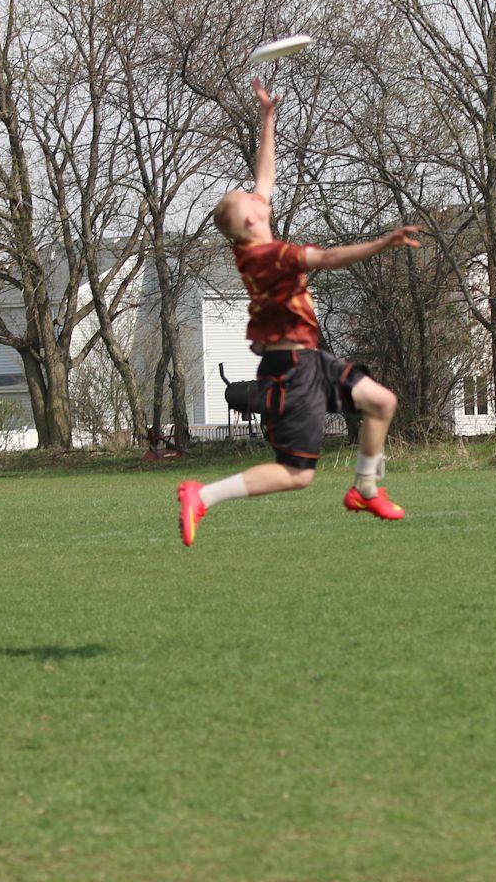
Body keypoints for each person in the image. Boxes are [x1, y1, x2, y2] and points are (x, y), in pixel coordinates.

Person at [178, 77, 420, 546]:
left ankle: (365, 488)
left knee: (382, 403)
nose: (257, 194)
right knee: (296, 474)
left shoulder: (251, 239)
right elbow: (328, 258)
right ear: (251, 218)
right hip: (289, 370)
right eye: (249, 198)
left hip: (308, 359)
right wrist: (383, 242)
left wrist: (268, 118)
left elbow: (265, 177)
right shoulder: (272, 257)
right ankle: (201, 495)